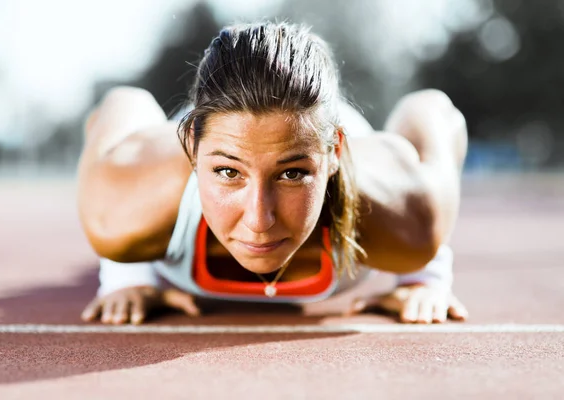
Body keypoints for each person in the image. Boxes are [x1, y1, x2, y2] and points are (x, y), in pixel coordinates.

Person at [78, 22, 469, 326]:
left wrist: (422, 278)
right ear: (194, 152)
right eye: (228, 173)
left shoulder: (409, 222)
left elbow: (434, 109)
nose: (259, 220)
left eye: (292, 175)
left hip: (319, 127)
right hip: (206, 133)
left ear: (334, 153)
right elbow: (122, 102)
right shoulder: (118, 212)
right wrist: (127, 275)